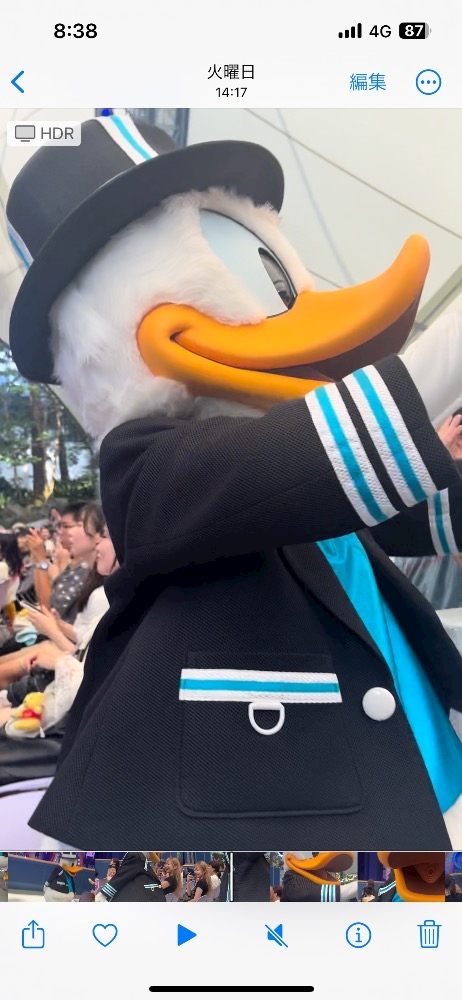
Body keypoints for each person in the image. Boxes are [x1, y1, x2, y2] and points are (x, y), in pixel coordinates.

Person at [0, 507, 116, 735]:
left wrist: (41, 561)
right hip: (54, 659)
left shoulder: (103, 590)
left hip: (57, 669)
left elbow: (48, 602)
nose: (62, 533)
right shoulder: (86, 574)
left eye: (68, 526)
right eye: (60, 526)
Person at [95, 852, 165, 902]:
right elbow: (123, 877)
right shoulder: (138, 857)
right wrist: (103, 895)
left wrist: (103, 895)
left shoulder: (137, 856)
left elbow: (122, 877)